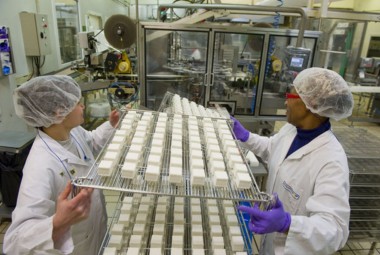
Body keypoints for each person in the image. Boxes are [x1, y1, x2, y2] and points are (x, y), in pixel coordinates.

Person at [232, 67, 354, 255]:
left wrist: (288, 224)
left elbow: (335, 229)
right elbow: (272, 149)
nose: (286, 100)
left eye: (291, 95)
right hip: (268, 242)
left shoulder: (331, 161)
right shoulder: (292, 130)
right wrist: (246, 137)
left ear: (310, 103)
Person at [4, 75, 120, 254]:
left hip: (96, 231)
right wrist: (57, 223)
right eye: (76, 103)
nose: (82, 106)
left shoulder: (71, 132)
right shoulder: (40, 166)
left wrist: (111, 125)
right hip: (76, 247)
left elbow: (91, 143)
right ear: (59, 112)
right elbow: (15, 242)